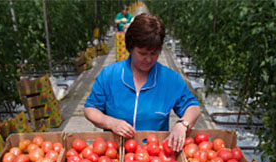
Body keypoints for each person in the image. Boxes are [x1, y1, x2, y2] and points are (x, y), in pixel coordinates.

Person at [84, 13, 201, 152]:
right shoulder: (110, 75)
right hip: (114, 152)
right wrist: (111, 122)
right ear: (130, 48)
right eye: (143, 53)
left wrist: (183, 124)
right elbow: (90, 108)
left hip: (153, 155)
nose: (148, 59)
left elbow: (193, 107)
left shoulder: (169, 79)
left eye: (154, 53)